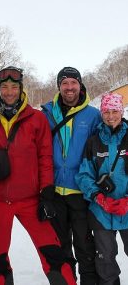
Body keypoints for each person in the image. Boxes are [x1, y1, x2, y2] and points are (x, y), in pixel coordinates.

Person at [0, 66, 77, 285]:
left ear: (21, 89)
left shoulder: (36, 118)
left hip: (30, 200)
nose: (9, 91)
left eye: (14, 87)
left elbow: (45, 157)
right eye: (4, 87)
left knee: (53, 253)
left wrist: (47, 192)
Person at [41, 66, 102, 284]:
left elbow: (104, 148)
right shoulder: (46, 113)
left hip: (82, 192)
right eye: (65, 83)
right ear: (59, 86)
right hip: (55, 190)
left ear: (80, 85)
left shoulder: (93, 115)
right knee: (61, 245)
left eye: (73, 83)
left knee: (85, 245)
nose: (69, 88)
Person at [76, 93, 128, 285]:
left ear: (121, 112)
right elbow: (83, 175)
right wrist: (98, 198)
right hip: (101, 212)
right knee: (105, 259)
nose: (110, 115)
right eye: (106, 111)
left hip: (127, 209)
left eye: (115, 111)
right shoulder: (93, 141)